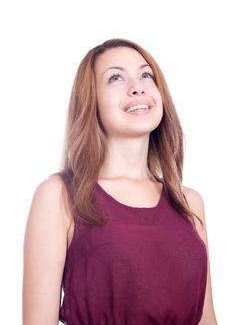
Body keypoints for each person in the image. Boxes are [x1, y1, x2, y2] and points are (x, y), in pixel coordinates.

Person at [23, 38, 218, 325]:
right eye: (115, 77)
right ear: (92, 101)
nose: (137, 86)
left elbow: (207, 319)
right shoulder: (59, 196)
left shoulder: (189, 203)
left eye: (146, 75)